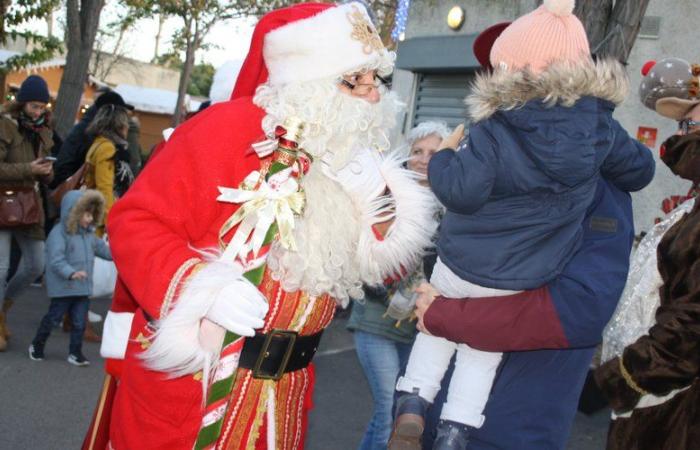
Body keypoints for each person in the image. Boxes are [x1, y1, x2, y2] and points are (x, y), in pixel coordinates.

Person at [83, 3, 436, 450]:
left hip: (285, 398)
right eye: (354, 81)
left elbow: (376, 273)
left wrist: (381, 206)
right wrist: (201, 288)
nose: (372, 96)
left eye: (375, 80)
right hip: (197, 390)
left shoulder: (354, 156)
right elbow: (135, 221)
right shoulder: (227, 130)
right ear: (308, 83)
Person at [390, 1, 655, 448]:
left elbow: (579, 309)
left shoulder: (595, 179)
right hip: (438, 414)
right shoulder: (498, 158)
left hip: (512, 424)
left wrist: (443, 313)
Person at [594, 57, 700, 450]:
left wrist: (615, 380)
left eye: (690, 124)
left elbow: (690, 330)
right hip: (652, 407)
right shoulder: (692, 207)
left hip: (674, 413)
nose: (681, 135)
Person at [348, 121, 449, 450]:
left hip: (420, 330)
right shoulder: (386, 200)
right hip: (376, 322)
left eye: (434, 153)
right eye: (417, 151)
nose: (422, 159)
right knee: (391, 410)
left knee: (392, 413)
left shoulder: (452, 206)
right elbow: (365, 263)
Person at [0, 75, 54, 352]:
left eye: (42, 106)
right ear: (22, 104)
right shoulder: (5, 125)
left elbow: (44, 170)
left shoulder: (44, 129)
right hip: (3, 203)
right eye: (34, 106)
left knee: (36, 264)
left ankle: (2, 310)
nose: (39, 111)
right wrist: (28, 170)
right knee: (1, 269)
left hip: (30, 205)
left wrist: (45, 172)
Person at [28, 189, 111, 366]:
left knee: (80, 323)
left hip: (82, 288)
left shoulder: (89, 235)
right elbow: (56, 260)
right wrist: (71, 273)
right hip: (63, 288)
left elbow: (104, 250)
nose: (89, 219)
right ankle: (37, 344)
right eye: (86, 214)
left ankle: (75, 353)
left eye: (92, 215)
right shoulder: (59, 233)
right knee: (53, 318)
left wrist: (122, 254)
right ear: (74, 213)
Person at [50, 91, 134, 189]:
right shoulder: (91, 134)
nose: (124, 119)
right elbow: (103, 184)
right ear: (110, 113)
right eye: (121, 114)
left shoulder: (93, 130)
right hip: (76, 193)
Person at [83, 104, 133, 237]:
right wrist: (110, 221)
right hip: (100, 219)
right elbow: (105, 187)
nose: (128, 128)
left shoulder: (98, 143)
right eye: (126, 124)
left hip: (93, 211)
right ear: (119, 126)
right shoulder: (108, 148)